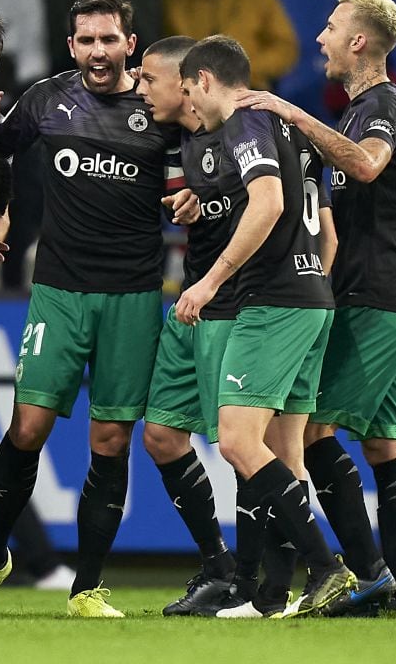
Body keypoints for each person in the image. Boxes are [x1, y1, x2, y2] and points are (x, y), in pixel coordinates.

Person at [0, 0, 193, 618]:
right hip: (58, 291)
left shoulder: (159, 106)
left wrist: (187, 199)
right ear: (70, 45)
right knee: (27, 428)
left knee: (110, 439)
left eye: (108, 39)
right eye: (85, 40)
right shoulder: (47, 100)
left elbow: (189, 179)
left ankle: (88, 587)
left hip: (132, 296)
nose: (96, 52)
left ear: (130, 43)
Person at [238, 0, 396, 618]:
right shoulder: (355, 113)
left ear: (358, 41)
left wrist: (290, 115)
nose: (318, 38)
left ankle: (366, 575)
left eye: (329, 26)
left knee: (313, 432)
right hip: (378, 295)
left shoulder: (385, 107)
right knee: (385, 446)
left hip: (374, 296)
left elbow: (369, 168)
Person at [176, 34, 354, 619]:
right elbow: (325, 233)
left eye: (187, 92)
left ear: (205, 79)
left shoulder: (244, 122)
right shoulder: (292, 130)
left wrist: (211, 281)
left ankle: (328, 568)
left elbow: (269, 203)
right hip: (312, 298)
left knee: (235, 441)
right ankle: (274, 595)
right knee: (287, 454)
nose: (189, 108)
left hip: (272, 302)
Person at [135, 35, 240, 615]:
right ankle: (220, 564)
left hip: (234, 305)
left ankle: (269, 577)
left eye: (149, 79)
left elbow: (282, 211)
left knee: (244, 445)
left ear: (188, 82)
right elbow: (184, 195)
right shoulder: (178, 137)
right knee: (161, 435)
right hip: (190, 302)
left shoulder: (245, 132)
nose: (140, 88)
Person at [162, 0, 298, 91]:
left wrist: (241, 70)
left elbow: (285, 48)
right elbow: (165, 53)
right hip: (191, 94)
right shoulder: (173, 0)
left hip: (248, 92)